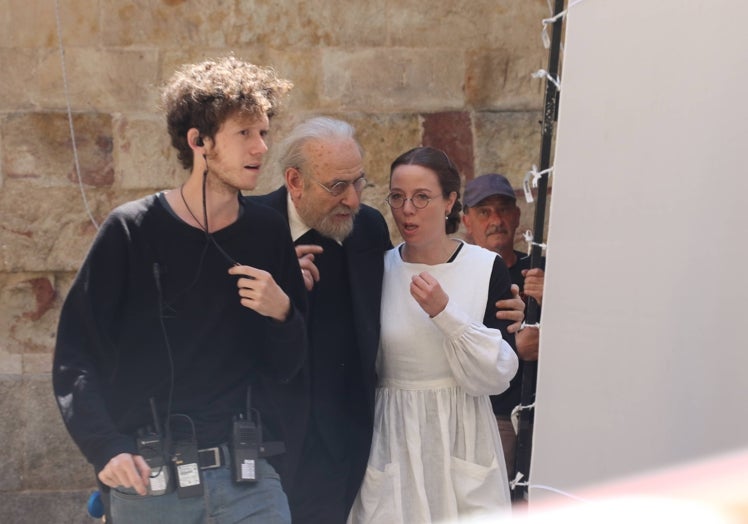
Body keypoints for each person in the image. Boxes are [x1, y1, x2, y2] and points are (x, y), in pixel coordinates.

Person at [52, 56, 307, 524]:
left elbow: (289, 367)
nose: (261, 148)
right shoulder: (130, 230)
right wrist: (105, 449)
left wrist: (284, 313)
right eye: (244, 133)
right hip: (152, 485)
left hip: (248, 479)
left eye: (264, 133)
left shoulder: (268, 232)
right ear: (199, 141)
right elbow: (75, 355)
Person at [250, 117, 527, 523]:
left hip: (352, 445)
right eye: (397, 197)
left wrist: (472, 311)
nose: (353, 200)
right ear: (296, 181)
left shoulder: (366, 229)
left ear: (450, 201)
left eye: (359, 183)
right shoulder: (251, 229)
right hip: (269, 442)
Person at [348, 147, 519, 523]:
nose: (407, 209)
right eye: (397, 196)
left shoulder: (485, 268)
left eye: (422, 197)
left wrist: (446, 313)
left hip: (463, 435)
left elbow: (497, 376)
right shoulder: (378, 270)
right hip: (393, 440)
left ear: (450, 202)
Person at [461, 172, 546, 485]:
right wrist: (514, 348)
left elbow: (588, 330)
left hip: (546, 412)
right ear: (466, 220)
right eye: (484, 212)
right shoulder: (459, 273)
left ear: (517, 215)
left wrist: (553, 303)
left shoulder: (541, 270)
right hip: (491, 415)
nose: (495, 219)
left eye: (503, 209)